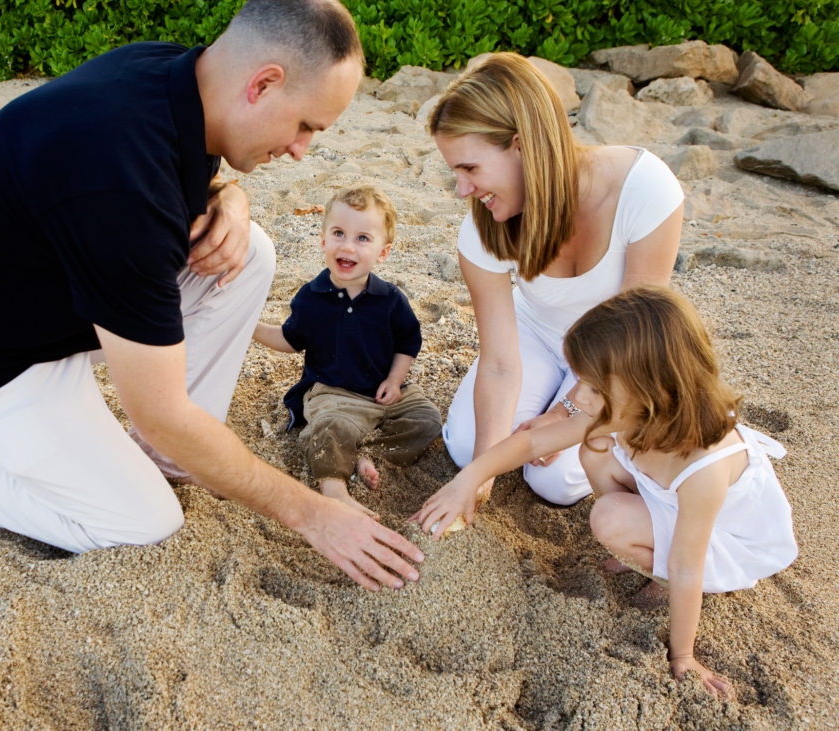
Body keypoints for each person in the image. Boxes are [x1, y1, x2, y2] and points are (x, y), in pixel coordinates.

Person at [0, 0, 425, 592]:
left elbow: (166, 179)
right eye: (307, 125)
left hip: (45, 301)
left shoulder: (173, 76)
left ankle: (173, 460)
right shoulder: (121, 186)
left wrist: (230, 196)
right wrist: (313, 514)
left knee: (250, 251)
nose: (301, 150)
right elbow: (157, 409)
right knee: (144, 522)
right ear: (263, 84)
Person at [413, 286, 798, 698]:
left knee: (609, 518)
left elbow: (689, 566)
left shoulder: (704, 465)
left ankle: (651, 565)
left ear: (651, 390)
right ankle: (642, 541)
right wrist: (466, 481)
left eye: (594, 388)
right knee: (594, 446)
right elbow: (531, 444)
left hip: (724, 540)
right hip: (668, 500)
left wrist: (682, 655)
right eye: (579, 381)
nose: (575, 398)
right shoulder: (637, 413)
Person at [429, 52, 684, 506]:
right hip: (539, 332)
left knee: (556, 481)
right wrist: (480, 475)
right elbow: (500, 362)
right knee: (469, 448)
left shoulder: (644, 189)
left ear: (521, 144)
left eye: (469, 168)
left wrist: (566, 412)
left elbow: (637, 340)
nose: (462, 189)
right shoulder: (483, 226)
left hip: (619, 354)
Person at [253, 185, 442, 517]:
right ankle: (335, 490)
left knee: (427, 419)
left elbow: (408, 342)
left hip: (383, 391)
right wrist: (251, 328)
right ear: (323, 240)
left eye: (363, 238)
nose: (348, 246)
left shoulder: (390, 299)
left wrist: (396, 381)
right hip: (332, 393)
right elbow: (290, 339)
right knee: (328, 430)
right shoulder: (311, 297)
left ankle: (371, 455)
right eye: (339, 233)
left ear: (383, 252)